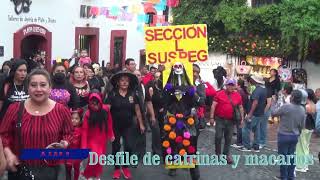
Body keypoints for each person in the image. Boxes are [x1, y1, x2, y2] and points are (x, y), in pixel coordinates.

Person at [0, 69, 74, 180]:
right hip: (21, 171)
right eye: (33, 85)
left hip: (51, 170)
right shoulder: (14, 109)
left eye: (43, 85)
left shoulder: (61, 110)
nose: (38, 89)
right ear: (28, 88)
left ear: (50, 88)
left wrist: (65, 143)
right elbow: (3, 134)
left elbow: (69, 133)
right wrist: (8, 154)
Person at [161, 62, 204, 180]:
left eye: (196, 72)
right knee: (172, 143)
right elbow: (164, 102)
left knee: (191, 146)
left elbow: (201, 102)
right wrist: (167, 90)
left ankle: (194, 174)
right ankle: (173, 166)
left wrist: (193, 93)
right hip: (173, 120)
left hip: (188, 120)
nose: (195, 74)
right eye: (176, 67)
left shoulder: (198, 85)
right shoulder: (170, 86)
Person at [106, 71, 145, 179]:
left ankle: (125, 167)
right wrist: (106, 126)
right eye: (122, 81)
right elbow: (107, 110)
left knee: (129, 146)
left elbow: (137, 110)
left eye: (126, 81)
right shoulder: (112, 94)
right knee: (116, 147)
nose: (124, 83)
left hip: (129, 125)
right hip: (115, 125)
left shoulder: (133, 94)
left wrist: (141, 124)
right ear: (118, 82)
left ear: (129, 83)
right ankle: (117, 168)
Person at [271, 90, 306, 180]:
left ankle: (283, 176)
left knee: (283, 157)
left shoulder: (286, 106)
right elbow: (302, 126)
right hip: (294, 135)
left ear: (293, 97)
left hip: (284, 135)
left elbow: (274, 113)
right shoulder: (302, 109)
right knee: (291, 156)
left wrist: (274, 103)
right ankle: (291, 176)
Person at [81, 92, 114, 179]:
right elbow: (84, 130)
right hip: (91, 139)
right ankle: (88, 174)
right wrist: (84, 145)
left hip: (102, 139)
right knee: (94, 157)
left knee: (100, 159)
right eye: (92, 104)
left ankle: (97, 175)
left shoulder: (106, 110)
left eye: (96, 104)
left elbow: (109, 122)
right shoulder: (88, 114)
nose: (94, 106)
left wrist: (111, 134)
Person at [209, 78, 244, 163]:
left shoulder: (238, 95)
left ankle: (226, 154)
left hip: (231, 121)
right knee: (218, 137)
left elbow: (240, 107)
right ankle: (217, 154)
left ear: (235, 86)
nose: (231, 87)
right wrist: (211, 117)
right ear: (226, 85)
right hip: (220, 119)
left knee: (228, 138)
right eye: (229, 85)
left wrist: (242, 118)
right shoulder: (219, 94)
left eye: (232, 85)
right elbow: (213, 106)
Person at [240, 74, 267, 152]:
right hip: (259, 113)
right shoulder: (264, 89)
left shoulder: (257, 90)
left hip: (254, 114)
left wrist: (250, 114)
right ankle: (256, 146)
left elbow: (255, 102)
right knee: (256, 129)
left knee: (246, 129)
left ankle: (247, 146)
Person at [295, 89, 317, 172]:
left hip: (304, 127)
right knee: (306, 146)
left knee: (301, 147)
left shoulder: (306, 106)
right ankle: (305, 165)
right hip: (310, 127)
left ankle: (300, 166)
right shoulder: (313, 104)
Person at [231, 79, 249, 148]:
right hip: (243, 110)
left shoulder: (239, 92)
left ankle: (239, 142)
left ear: (238, 84)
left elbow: (236, 103)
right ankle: (240, 141)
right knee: (240, 126)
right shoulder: (244, 91)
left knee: (239, 127)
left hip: (239, 111)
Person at [66, 108, 83, 180]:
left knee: (76, 169)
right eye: (72, 118)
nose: (74, 120)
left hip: (77, 153)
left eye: (76, 118)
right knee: (68, 169)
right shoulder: (67, 129)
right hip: (68, 153)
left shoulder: (81, 130)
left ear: (80, 120)